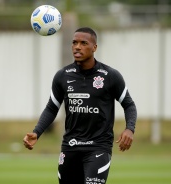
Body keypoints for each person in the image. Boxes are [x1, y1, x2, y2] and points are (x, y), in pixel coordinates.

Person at [23, 27, 137, 184]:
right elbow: (52, 107)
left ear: (94, 47)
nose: (77, 47)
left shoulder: (111, 76)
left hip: (98, 146)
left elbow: (129, 105)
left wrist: (129, 128)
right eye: (74, 43)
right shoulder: (62, 76)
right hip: (70, 146)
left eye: (83, 43)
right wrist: (37, 132)